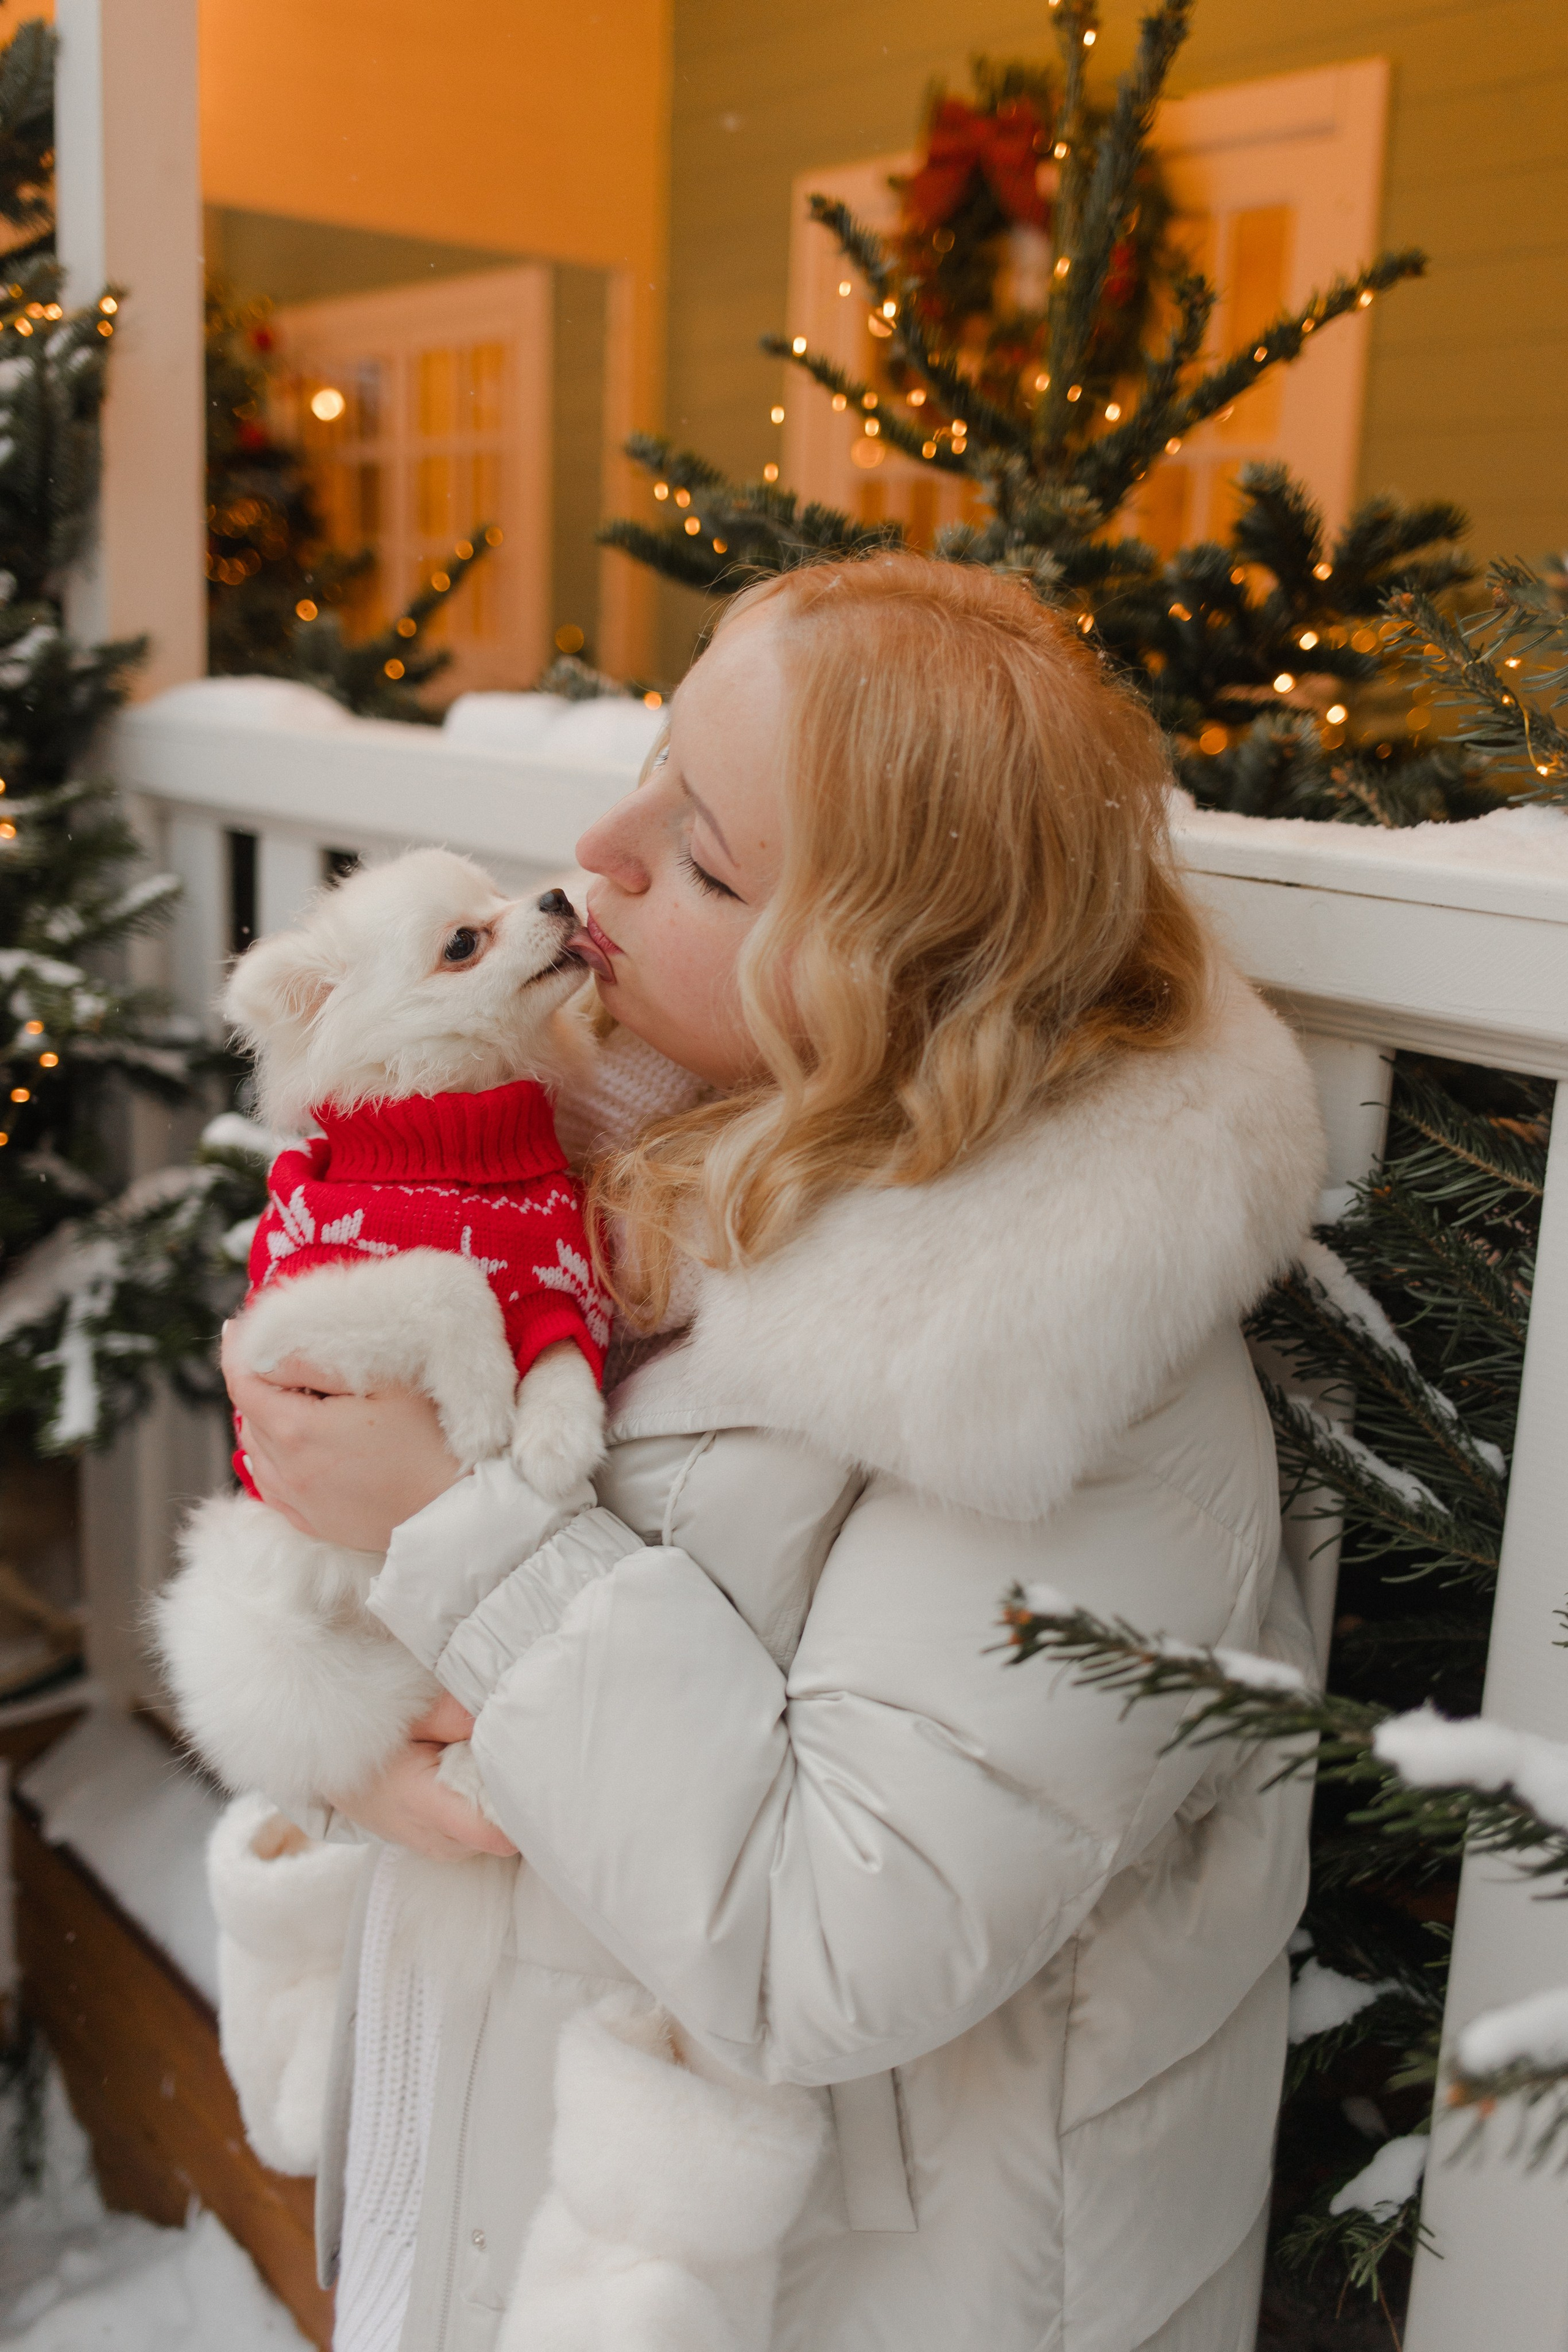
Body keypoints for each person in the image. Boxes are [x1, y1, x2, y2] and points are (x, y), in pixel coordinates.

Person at [216, 551, 1324, 2352]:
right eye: (653, 765)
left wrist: (461, 1522)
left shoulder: (1063, 1375)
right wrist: (343, 1709)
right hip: (518, 2207)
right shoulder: (606, 1154)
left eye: (712, 857)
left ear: (902, 975)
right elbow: (381, 1565)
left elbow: (827, 1937)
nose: (605, 843)